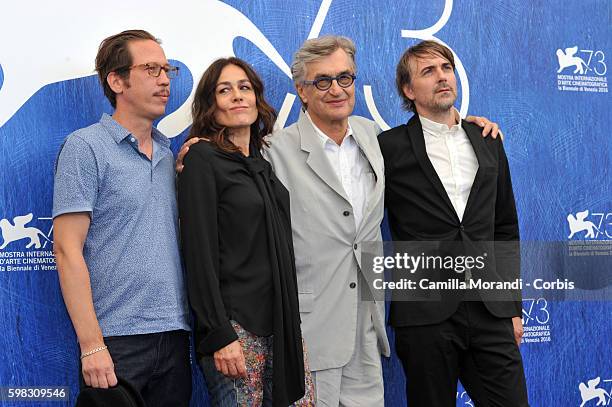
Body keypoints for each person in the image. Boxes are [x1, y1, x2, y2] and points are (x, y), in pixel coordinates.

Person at [177, 35, 500, 406]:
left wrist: (465, 128)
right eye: (322, 81)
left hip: (367, 324)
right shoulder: (273, 149)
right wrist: (196, 151)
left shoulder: (373, 137)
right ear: (301, 90)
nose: (336, 89)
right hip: (307, 330)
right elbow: (227, 175)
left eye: (344, 78)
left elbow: (429, 137)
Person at [378, 40, 528, 406]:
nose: (442, 77)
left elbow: (505, 228)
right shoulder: (386, 147)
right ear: (409, 90)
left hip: (490, 308)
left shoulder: (488, 139)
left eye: (446, 68)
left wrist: (511, 305)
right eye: (428, 71)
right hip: (425, 315)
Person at [52, 30, 191, 406]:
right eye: (150, 69)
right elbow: (66, 250)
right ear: (117, 80)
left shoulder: (168, 153)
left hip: (176, 338)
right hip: (115, 342)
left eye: (167, 69)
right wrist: (92, 345)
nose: (164, 80)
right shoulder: (85, 147)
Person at [177, 57, 314, 406]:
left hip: (281, 325)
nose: (238, 96)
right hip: (236, 329)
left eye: (245, 88)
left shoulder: (263, 163)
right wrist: (219, 333)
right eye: (225, 90)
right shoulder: (201, 159)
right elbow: (199, 253)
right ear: (211, 104)